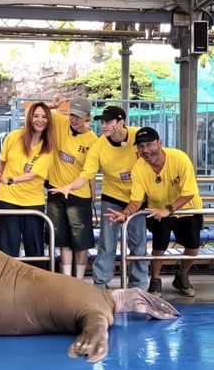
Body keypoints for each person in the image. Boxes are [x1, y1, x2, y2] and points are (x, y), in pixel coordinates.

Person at [49, 105, 148, 289]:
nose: (104, 126)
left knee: (138, 243)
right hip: (112, 197)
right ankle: (101, 283)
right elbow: (86, 175)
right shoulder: (99, 145)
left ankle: (139, 285)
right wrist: (69, 187)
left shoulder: (138, 137)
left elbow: (153, 154)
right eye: (102, 122)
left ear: (121, 122)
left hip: (137, 198)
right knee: (107, 243)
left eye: (109, 122)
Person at [105, 127, 203, 297]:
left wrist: (169, 210)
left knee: (193, 248)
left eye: (149, 144)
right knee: (159, 247)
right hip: (157, 210)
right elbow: (136, 199)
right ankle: (155, 280)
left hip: (187, 209)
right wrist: (125, 213)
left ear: (159, 143)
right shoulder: (139, 168)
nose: (146, 150)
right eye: (141, 146)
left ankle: (182, 274)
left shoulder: (180, 158)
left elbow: (189, 192)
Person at [0, 101, 54, 267]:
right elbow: (0, 165)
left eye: (44, 116)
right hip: (8, 200)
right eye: (35, 116)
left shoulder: (48, 147)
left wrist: (11, 180)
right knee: (7, 249)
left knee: (35, 250)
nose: (39, 120)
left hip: (33, 202)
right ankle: (5, 284)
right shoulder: (14, 137)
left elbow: (33, 174)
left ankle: (36, 287)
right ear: (29, 118)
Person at [46, 96, 98, 279]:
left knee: (80, 240)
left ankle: (80, 279)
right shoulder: (60, 123)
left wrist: (91, 196)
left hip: (79, 194)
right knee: (63, 238)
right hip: (56, 191)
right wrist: (53, 105)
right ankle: (67, 278)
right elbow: (32, 112)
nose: (74, 119)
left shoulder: (93, 140)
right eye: (72, 115)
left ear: (88, 117)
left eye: (79, 116)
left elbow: (88, 174)